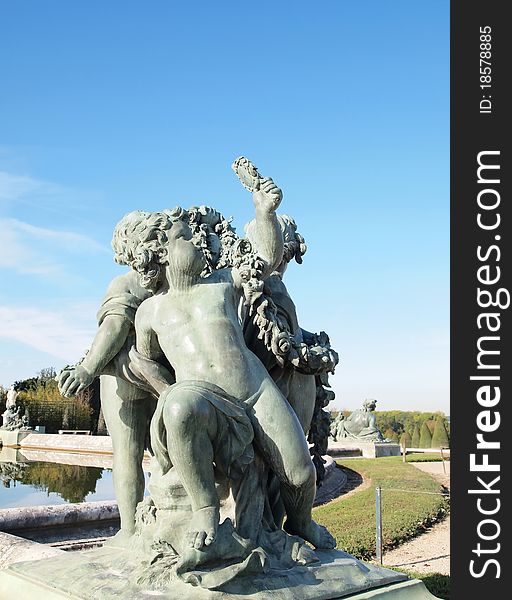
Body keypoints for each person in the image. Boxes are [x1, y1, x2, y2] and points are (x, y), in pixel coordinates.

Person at [120, 176, 336, 554]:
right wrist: (167, 392)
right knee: (179, 406)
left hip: (254, 391)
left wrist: (264, 213)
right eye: (187, 237)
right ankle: (206, 509)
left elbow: (265, 261)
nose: (198, 242)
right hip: (205, 402)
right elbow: (144, 360)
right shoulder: (151, 313)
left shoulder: (220, 284)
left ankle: (301, 522)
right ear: (159, 254)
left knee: (300, 473)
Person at [57, 250, 156, 542]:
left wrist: (87, 369)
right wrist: (86, 370)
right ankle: (138, 527)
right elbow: (114, 326)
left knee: (128, 455)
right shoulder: (158, 286)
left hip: (127, 382)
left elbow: (114, 326)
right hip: (146, 381)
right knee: (152, 456)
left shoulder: (129, 284)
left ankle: (131, 531)